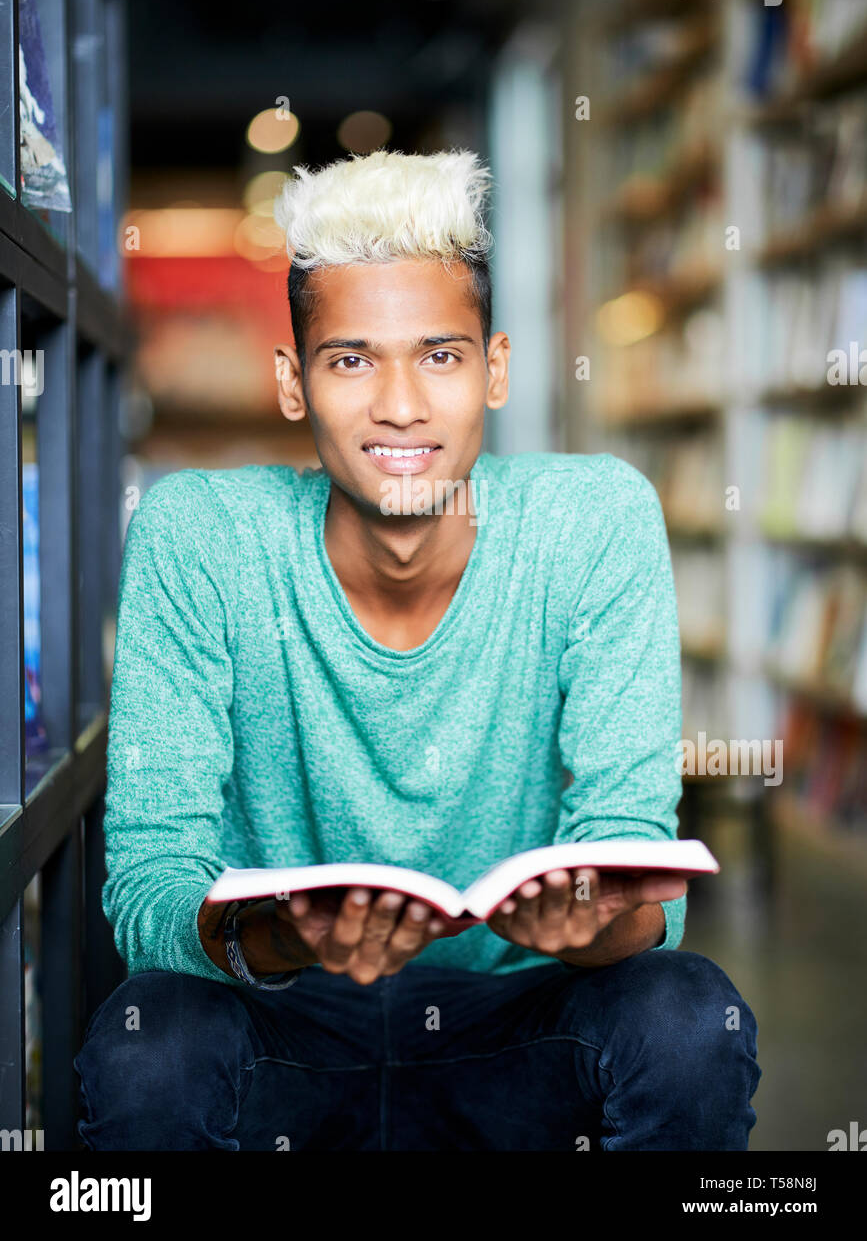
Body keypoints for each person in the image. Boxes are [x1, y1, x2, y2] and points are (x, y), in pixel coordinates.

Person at [74, 149, 761, 1150]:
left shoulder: (594, 519)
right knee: (146, 1041)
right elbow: (149, 880)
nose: (400, 404)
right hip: (284, 1028)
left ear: (496, 369)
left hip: (517, 1028)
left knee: (689, 1016)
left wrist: (593, 923)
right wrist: (270, 933)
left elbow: (633, 842)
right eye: (351, 359)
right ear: (293, 381)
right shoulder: (198, 536)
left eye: (439, 355)